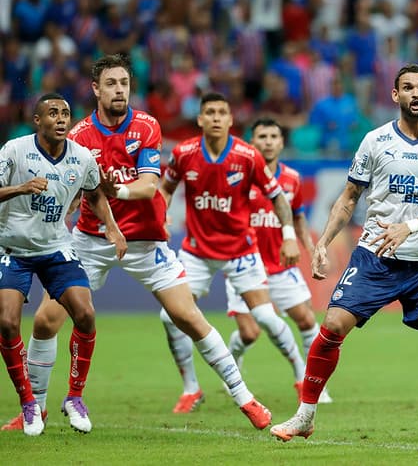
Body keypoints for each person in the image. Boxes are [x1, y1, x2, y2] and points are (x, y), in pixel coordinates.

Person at [1, 55, 272, 432]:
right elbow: (73, 191)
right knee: (46, 321)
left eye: (124, 84)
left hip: (145, 240)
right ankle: (38, 408)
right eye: (111, 84)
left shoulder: (146, 127)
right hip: (91, 239)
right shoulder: (79, 135)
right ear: (96, 89)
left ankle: (245, 398)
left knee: (187, 316)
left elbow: (149, 185)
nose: (119, 91)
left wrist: (119, 190)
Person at [269, 64, 418, 449]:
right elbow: (348, 198)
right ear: (395, 96)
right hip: (375, 256)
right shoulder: (375, 141)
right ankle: (305, 416)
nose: (415, 93)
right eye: (407, 87)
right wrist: (324, 241)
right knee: (332, 325)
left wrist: (409, 227)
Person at [159, 93, 302, 412]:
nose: (215, 118)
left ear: (229, 119)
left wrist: (289, 236)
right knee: (170, 317)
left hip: (240, 251)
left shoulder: (247, 155)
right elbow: (165, 189)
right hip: (196, 252)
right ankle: (191, 388)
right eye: (208, 112)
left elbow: (278, 197)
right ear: (200, 119)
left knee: (265, 316)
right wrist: (161, 216)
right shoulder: (183, 153)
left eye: (221, 112)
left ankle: (300, 376)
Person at [0, 93, 126, 435]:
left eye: (65, 113)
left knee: (85, 314)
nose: (60, 118)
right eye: (52, 113)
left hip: (56, 246)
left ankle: (74, 397)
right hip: (12, 247)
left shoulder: (82, 157)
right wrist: (21, 188)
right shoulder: (14, 150)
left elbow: (95, 192)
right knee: (8, 322)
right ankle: (28, 403)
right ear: (37, 120)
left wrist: (112, 228)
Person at [224, 118, 332, 403]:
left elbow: (297, 217)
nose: (269, 141)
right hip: (245, 266)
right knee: (250, 333)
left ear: (282, 142)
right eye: (263, 136)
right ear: (252, 142)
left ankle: (312, 384)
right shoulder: (237, 177)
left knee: (308, 320)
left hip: (281, 267)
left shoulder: (292, 179)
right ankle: (233, 360)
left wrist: (312, 249)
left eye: (274, 135)